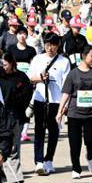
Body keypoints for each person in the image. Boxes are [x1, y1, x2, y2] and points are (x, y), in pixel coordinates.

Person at [56, 45, 92, 178]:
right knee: (75, 143)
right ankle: (76, 168)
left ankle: (90, 156)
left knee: (91, 140)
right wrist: (59, 112)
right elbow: (66, 94)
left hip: (91, 113)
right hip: (74, 113)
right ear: (84, 56)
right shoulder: (73, 73)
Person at [28, 32, 70, 175]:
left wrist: (65, 105)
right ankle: (38, 161)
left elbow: (66, 85)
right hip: (40, 99)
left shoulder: (64, 61)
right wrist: (40, 77)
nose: (49, 48)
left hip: (56, 101)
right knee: (39, 130)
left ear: (57, 45)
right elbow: (30, 78)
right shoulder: (37, 59)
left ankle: (49, 160)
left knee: (53, 131)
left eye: (52, 45)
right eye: (47, 45)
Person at [0, 52, 33, 183]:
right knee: (0, 150)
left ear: (12, 63)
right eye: (1, 64)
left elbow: (27, 95)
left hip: (15, 117)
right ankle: (11, 179)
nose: (3, 67)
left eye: (5, 64)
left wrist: (16, 102)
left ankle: (15, 181)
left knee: (13, 149)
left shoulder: (21, 77)